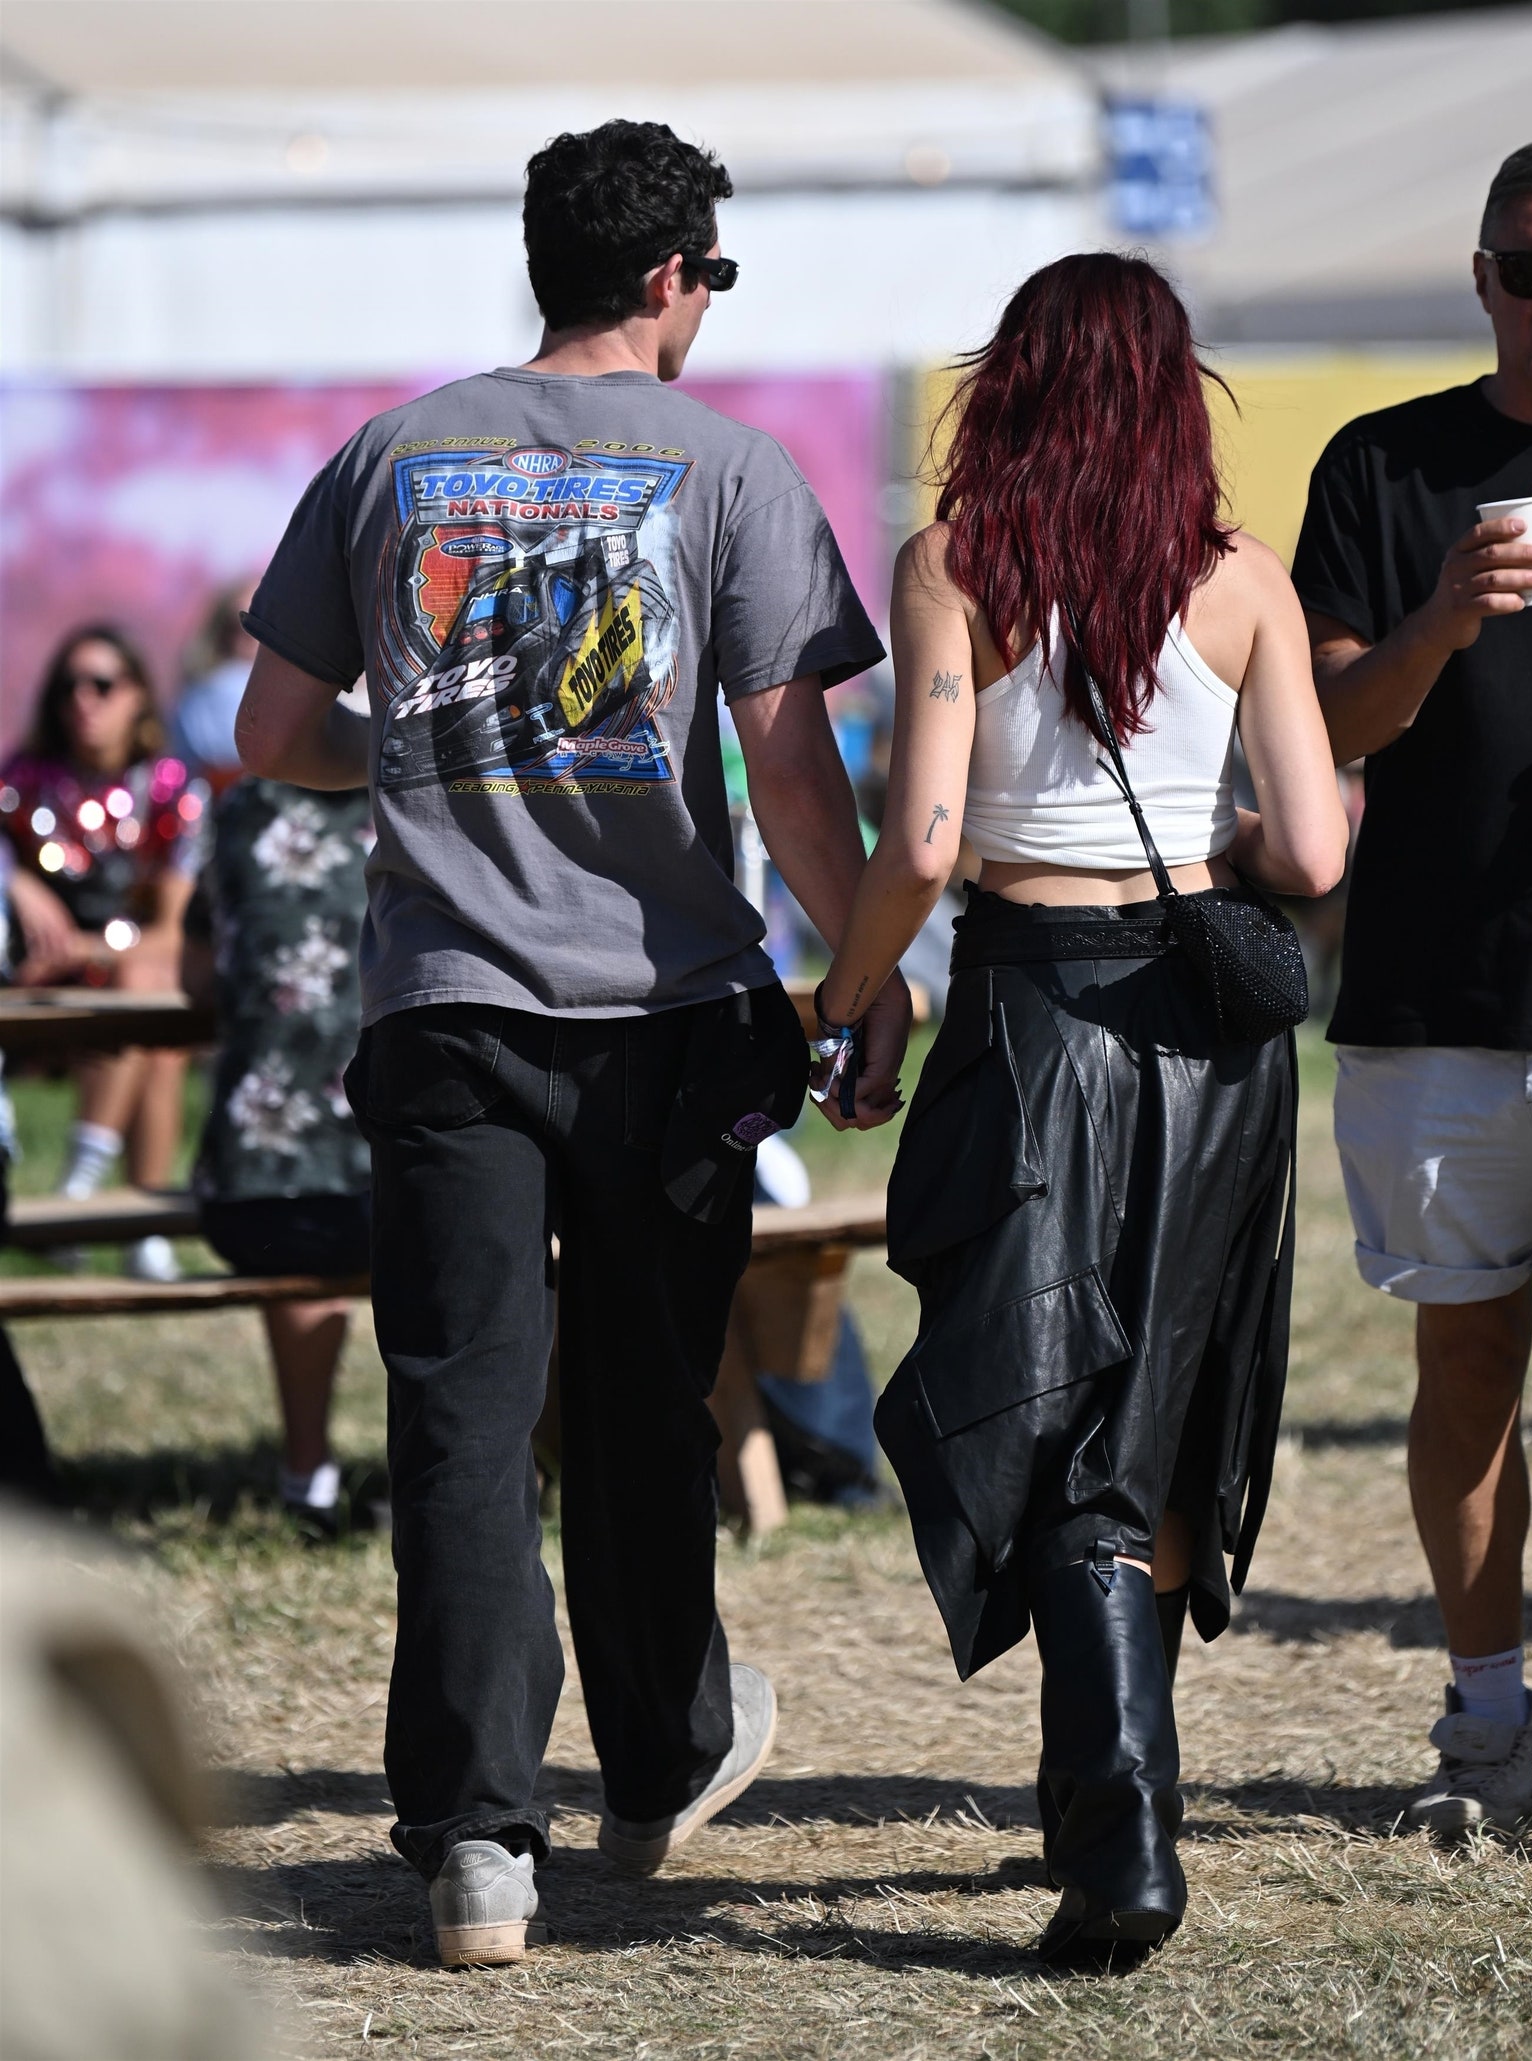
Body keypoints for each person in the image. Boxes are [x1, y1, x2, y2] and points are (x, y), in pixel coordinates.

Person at [231, 119, 908, 1966]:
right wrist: (865, 970)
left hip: (444, 1007)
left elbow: (276, 726)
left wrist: (438, 754)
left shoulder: (391, 455)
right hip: (665, 1018)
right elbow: (788, 770)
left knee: (460, 1422)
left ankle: (469, 1846)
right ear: (673, 275)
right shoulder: (736, 469)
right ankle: (657, 1759)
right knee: (637, 1414)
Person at [812, 252, 1346, 1963]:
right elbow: (1318, 853)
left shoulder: (953, 564)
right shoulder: (1243, 578)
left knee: (1036, 1402)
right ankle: (1115, 1800)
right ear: (1177, 393)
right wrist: (1216, 832)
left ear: (1018, 385)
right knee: (1161, 1412)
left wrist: (848, 1001)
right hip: (1212, 1037)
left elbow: (919, 841)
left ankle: (1117, 1828)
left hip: (1035, 1011)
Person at [1292, 138, 1532, 1835]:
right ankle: (1484, 1742)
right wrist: (1439, 627)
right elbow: (1327, 728)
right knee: (1465, 1375)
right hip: (1437, 1000)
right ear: (1482, 277)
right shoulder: (1388, 466)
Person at [182, 772, 373, 1536]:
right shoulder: (422, 795)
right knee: (493, 1236)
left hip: (249, 1183)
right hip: (407, 1163)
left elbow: (194, 976)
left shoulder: (239, 810)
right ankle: (495, 1472)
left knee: (303, 1242)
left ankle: (308, 1477)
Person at [0, 626, 199, 1281]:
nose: (83, 699)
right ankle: (140, 1228)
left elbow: (172, 930)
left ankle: (82, 1197)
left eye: (103, 684)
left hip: (126, 974)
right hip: (28, 980)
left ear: (138, 694)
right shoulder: (22, 782)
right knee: (157, 1022)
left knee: (151, 986)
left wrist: (93, 946)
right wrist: (18, 881)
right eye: (69, 686)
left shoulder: (171, 788)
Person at [168, 579, 259, 792]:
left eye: (263, 621)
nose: (250, 636)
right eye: (240, 624)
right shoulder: (222, 689)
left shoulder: (191, 696)